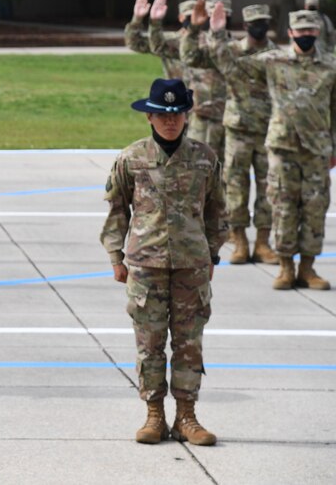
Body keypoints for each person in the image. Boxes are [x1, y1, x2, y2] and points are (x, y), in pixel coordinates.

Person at [101, 78, 225, 446]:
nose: (169, 121)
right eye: (161, 115)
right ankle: (154, 414)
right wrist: (115, 257)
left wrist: (213, 252)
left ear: (186, 116)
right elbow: (116, 211)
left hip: (192, 266)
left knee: (189, 342)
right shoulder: (131, 158)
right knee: (149, 343)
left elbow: (218, 210)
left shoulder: (205, 157)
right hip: (145, 265)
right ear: (149, 118)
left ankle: (186, 416)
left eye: (176, 114)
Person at [202, 2, 336, 291]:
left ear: (319, 32)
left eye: (311, 29)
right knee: (283, 207)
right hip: (282, 146)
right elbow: (231, 66)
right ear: (290, 32)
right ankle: (286, 268)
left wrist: (334, 147)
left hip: (316, 149)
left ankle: (308, 269)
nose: (306, 34)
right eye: (300, 30)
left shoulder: (330, 66)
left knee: (315, 209)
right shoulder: (274, 61)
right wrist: (216, 33)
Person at [181, 2, 279, 264]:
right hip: (238, 130)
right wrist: (196, 29)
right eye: (254, 22)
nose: (260, 26)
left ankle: (262, 243)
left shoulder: (277, 55)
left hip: (268, 130)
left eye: (264, 21)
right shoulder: (229, 50)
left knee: (268, 187)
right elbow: (191, 58)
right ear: (245, 26)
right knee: (235, 188)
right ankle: (239, 242)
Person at [148, 0, 230, 160]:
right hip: (180, 107)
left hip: (212, 111)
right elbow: (156, 45)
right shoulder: (178, 42)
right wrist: (154, 22)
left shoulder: (214, 44)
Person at [125, 0, 186, 80]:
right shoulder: (170, 40)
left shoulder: (208, 41)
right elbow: (135, 43)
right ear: (181, 18)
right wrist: (137, 19)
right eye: (189, 17)